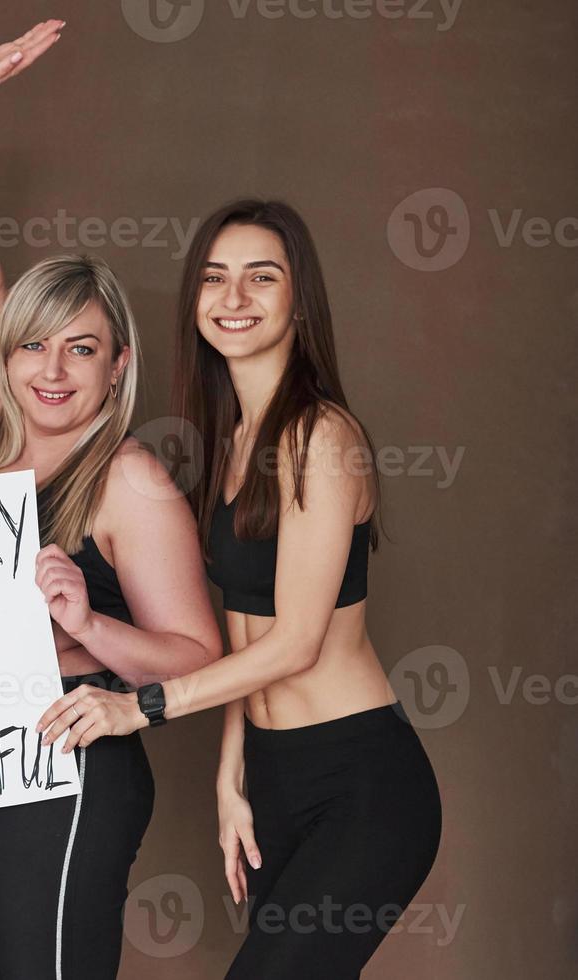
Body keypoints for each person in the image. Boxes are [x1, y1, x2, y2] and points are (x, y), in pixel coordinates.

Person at [39, 199, 442, 979]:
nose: (233, 298)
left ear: (299, 300)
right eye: (215, 279)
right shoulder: (231, 443)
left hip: (359, 780)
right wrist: (232, 775)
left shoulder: (321, 437)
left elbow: (293, 643)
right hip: (273, 775)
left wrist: (140, 707)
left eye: (261, 278)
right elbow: (240, 630)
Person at [0, 22, 222, 980]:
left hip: (67, 761)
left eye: (81, 348)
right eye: (33, 345)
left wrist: (89, 623)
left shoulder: (126, 479)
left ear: (117, 364)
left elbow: (196, 655)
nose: (51, 371)